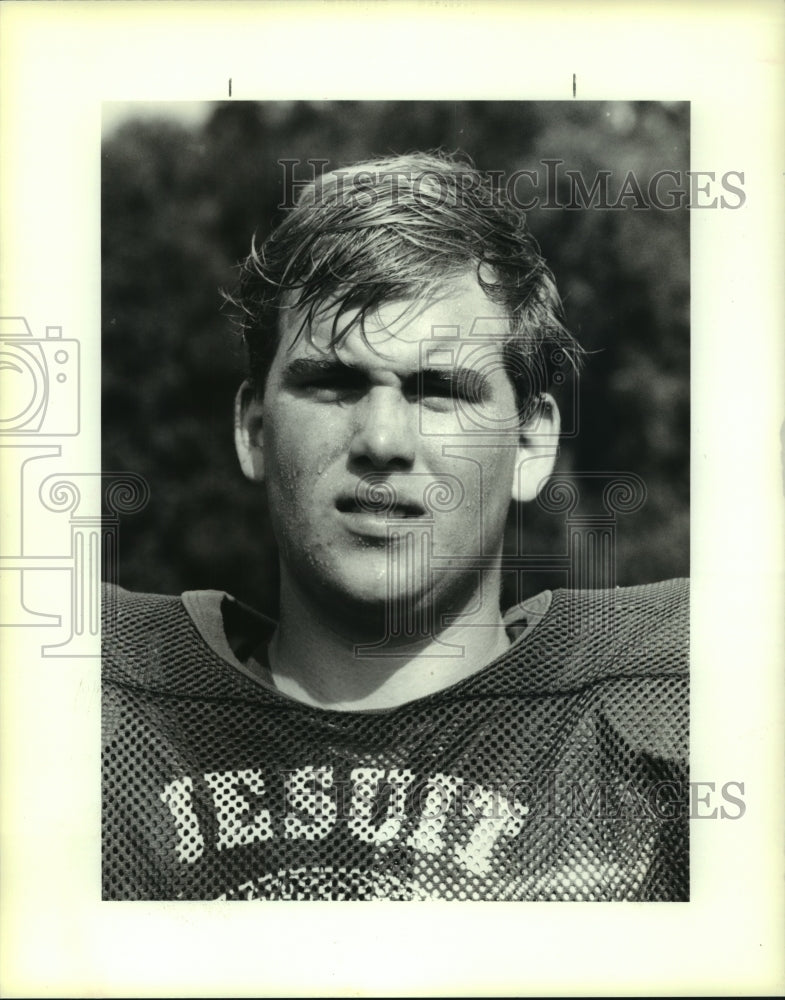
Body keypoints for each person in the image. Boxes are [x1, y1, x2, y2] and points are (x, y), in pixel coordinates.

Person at [102, 151, 688, 901]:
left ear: (531, 445)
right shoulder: (84, 712)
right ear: (252, 428)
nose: (381, 440)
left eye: (438, 390)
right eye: (332, 384)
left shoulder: (681, 708)